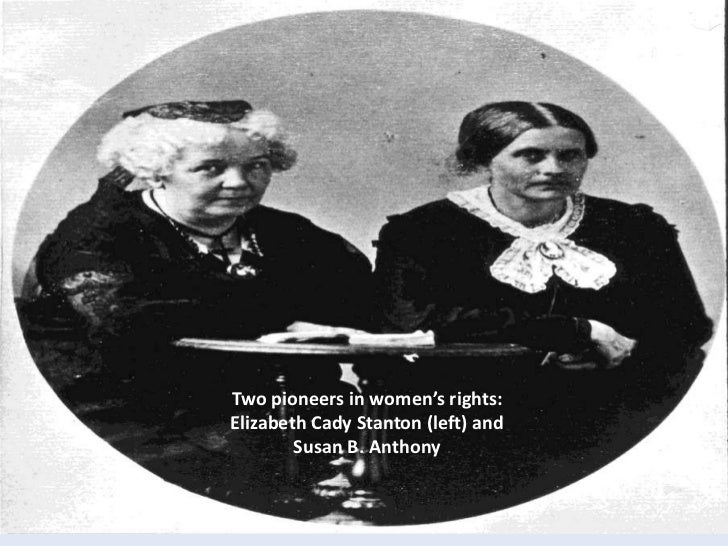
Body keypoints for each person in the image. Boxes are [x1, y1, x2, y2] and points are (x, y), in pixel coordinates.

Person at [371, 101, 713, 516]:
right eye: (531, 155)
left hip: (612, 413)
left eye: (570, 155)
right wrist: (576, 331)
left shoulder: (635, 227)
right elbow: (411, 321)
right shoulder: (423, 231)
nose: (553, 168)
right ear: (485, 158)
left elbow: (686, 325)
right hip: (475, 424)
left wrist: (621, 353)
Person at [28, 100, 372, 426]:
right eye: (211, 167)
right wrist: (282, 318)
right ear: (157, 172)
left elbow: (358, 303)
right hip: (146, 414)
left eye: (256, 165)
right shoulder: (97, 233)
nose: (239, 182)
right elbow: (135, 319)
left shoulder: (289, 232)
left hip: (288, 408)